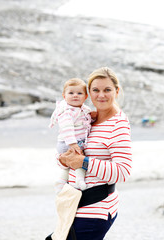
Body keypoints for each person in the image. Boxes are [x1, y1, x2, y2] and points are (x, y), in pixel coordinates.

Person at [47, 67, 133, 240]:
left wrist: (83, 162)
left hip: (95, 209)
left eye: (107, 90)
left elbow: (123, 171)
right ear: (88, 93)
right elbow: (70, 153)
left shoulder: (118, 124)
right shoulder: (87, 119)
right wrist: (64, 160)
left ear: (116, 91)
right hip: (74, 206)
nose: (101, 95)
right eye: (96, 90)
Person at [49, 78, 92, 192]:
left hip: (72, 142)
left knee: (68, 166)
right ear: (64, 96)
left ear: (85, 96)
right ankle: (80, 180)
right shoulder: (67, 111)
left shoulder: (82, 109)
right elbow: (66, 128)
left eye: (79, 93)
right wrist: (73, 144)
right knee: (79, 161)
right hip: (68, 143)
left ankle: (61, 182)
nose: (75, 96)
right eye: (71, 93)